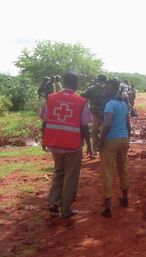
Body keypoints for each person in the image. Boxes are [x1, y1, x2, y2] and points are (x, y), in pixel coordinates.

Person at [40, 72, 93, 218]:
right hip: (72, 145)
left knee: (58, 172)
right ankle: (66, 210)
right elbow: (84, 127)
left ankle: (53, 202)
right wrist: (89, 144)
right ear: (76, 84)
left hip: (54, 143)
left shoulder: (51, 98)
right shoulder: (81, 101)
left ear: (63, 83)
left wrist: (43, 139)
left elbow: (44, 121)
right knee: (71, 176)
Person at [99, 78, 131, 218]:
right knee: (123, 169)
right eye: (105, 88)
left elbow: (107, 125)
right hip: (123, 139)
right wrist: (127, 138)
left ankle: (107, 208)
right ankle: (125, 198)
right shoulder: (123, 103)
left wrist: (101, 139)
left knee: (107, 172)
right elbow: (128, 124)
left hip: (111, 140)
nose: (105, 90)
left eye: (108, 88)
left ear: (115, 89)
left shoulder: (110, 105)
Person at [81, 74, 108, 153]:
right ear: (105, 80)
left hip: (94, 112)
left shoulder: (92, 88)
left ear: (97, 79)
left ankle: (95, 148)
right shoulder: (108, 88)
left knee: (94, 130)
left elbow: (83, 95)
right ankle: (103, 146)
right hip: (106, 112)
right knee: (104, 130)